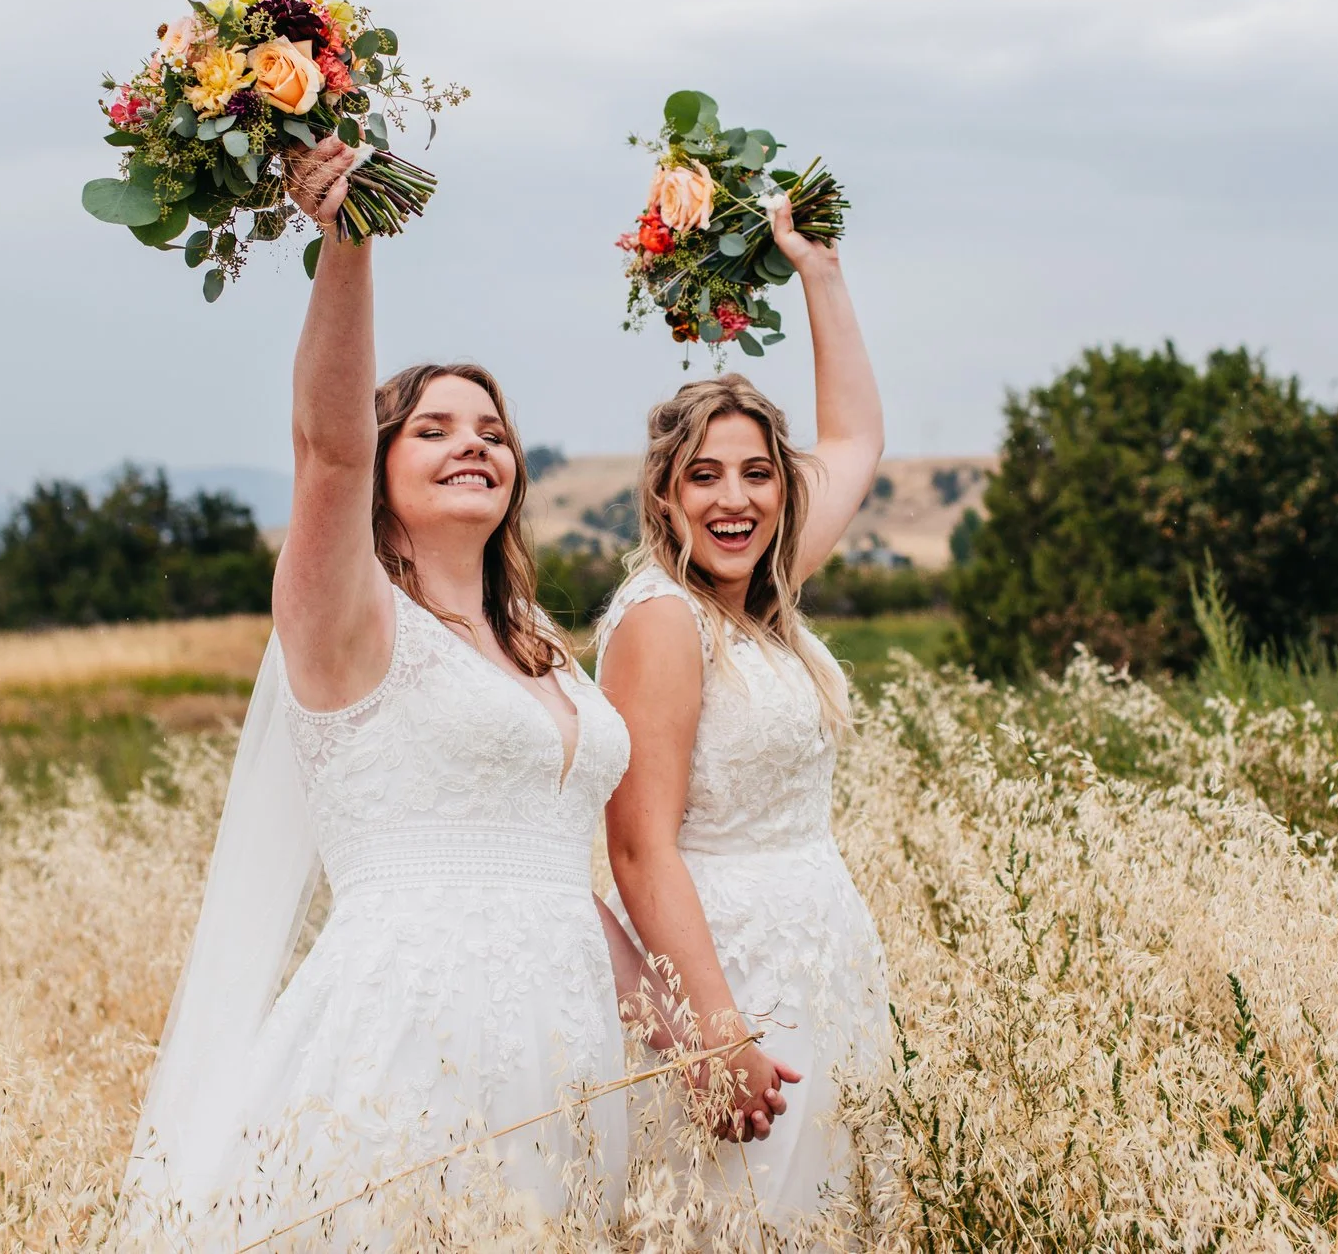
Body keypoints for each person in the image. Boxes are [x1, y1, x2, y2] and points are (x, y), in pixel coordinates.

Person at [127, 140, 646, 1246]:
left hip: (568, 1046)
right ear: (383, 460)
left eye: (493, 432)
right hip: (413, 1031)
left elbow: (551, 863)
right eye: (434, 429)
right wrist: (347, 242)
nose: (474, 445)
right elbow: (322, 454)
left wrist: (674, 1020)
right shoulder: (349, 623)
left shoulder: (544, 648)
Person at [598, 195, 894, 1228]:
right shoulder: (662, 623)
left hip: (826, 948)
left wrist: (817, 270)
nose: (735, 499)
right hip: (732, 969)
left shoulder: (755, 598)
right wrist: (715, 1033)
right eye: (705, 476)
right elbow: (639, 849)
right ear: (664, 496)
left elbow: (855, 435)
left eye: (759, 474)